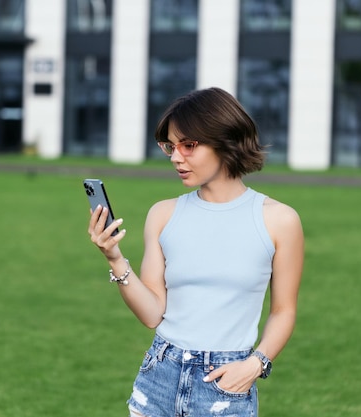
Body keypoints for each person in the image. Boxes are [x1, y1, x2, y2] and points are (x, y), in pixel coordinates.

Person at [88, 87, 304, 417]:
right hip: (159, 377)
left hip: (225, 385)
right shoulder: (162, 214)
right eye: (170, 147)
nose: (176, 157)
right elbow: (152, 314)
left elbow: (284, 311)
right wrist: (115, 258)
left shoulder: (279, 220)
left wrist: (256, 364)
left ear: (225, 140)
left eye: (188, 145)